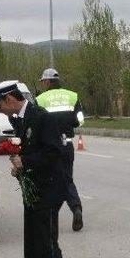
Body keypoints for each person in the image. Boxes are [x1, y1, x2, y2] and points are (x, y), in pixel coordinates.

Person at [0, 83, 73, 258]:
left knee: (46, 241)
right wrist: (19, 163)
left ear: (8, 99)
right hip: (34, 188)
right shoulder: (21, 119)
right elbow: (27, 148)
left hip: (48, 188)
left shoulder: (41, 117)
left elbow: (54, 152)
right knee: (32, 240)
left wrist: (24, 161)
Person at [36, 68, 85, 232]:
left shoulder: (40, 99)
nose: (43, 84)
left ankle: (48, 219)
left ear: (48, 82)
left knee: (49, 181)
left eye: (43, 81)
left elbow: (37, 125)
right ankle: (76, 207)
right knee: (67, 179)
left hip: (50, 146)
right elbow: (79, 120)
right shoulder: (73, 96)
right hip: (67, 144)